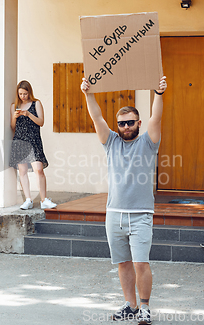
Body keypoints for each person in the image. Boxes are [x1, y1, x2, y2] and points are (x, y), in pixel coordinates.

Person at [81, 76, 167, 325]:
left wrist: (158, 93)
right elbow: (97, 118)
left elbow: (157, 118)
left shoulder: (149, 142)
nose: (126, 126)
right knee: (123, 263)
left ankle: (145, 307)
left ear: (138, 122)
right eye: (122, 123)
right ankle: (130, 305)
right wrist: (88, 94)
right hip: (114, 214)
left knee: (141, 263)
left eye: (130, 122)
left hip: (141, 214)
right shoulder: (111, 143)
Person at [9, 80, 57, 210]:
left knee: (39, 169)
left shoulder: (36, 103)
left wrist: (29, 114)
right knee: (23, 171)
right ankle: (28, 199)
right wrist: (14, 117)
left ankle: (44, 199)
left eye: (25, 93)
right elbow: (12, 127)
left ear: (29, 92)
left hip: (34, 140)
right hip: (20, 141)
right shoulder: (14, 106)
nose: (23, 96)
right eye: (20, 94)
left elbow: (41, 122)